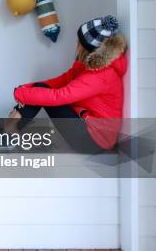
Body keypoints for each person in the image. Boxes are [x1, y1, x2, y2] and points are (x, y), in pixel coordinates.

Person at [8, 15, 127, 152]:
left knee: (42, 95)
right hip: (89, 128)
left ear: (86, 48)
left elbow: (59, 96)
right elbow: (62, 80)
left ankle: (8, 132)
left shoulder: (100, 76)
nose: (76, 46)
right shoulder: (90, 67)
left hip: (94, 142)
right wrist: (25, 89)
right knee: (38, 91)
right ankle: (9, 131)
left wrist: (20, 94)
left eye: (78, 43)